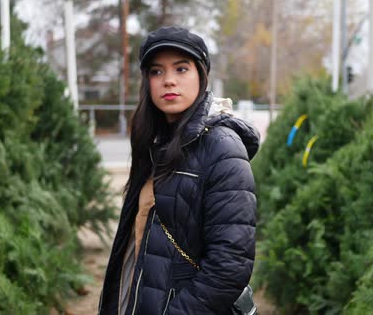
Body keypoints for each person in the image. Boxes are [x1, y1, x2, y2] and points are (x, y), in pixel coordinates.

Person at [99, 26, 259, 315]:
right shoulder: (153, 144)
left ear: (201, 75)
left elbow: (229, 267)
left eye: (181, 69)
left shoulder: (222, 148)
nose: (169, 81)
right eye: (157, 72)